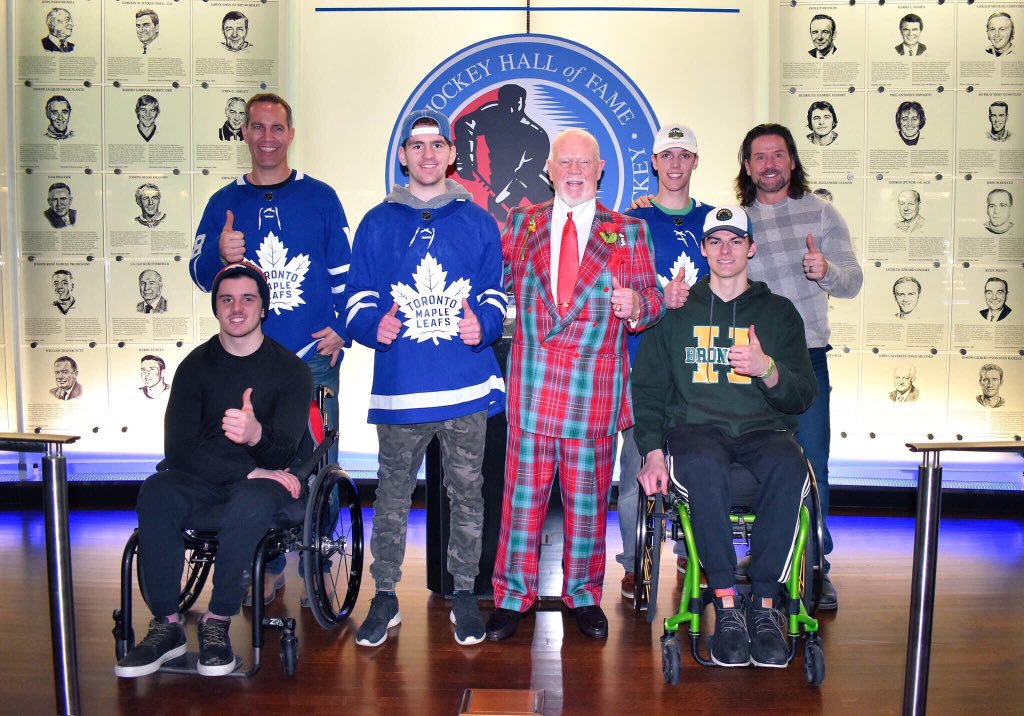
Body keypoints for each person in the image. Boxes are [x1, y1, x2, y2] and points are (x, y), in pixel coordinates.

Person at [487, 128, 664, 642]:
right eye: (564, 162)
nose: (573, 171)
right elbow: (490, 283)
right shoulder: (521, 222)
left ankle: (583, 595)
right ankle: (511, 597)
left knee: (587, 505)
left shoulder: (628, 231)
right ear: (548, 169)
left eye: (583, 163)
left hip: (593, 392)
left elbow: (653, 300)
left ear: (600, 168)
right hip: (532, 387)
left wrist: (638, 307)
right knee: (521, 504)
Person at [345, 108, 506, 648]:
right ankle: (386, 594)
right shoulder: (376, 221)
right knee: (391, 495)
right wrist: (373, 324)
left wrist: (482, 323)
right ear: (403, 155)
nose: (428, 154)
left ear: (452, 154)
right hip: (402, 388)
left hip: (464, 386)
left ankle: (464, 591)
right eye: (418, 146)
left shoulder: (479, 220)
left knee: (467, 491)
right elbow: (358, 298)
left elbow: (494, 295)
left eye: (438, 145)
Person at [633, 205, 817, 668]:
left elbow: (802, 395)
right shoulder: (676, 311)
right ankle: (728, 604)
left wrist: (767, 369)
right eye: (715, 241)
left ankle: (766, 606)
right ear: (703, 250)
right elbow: (650, 389)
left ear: (751, 248)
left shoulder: (778, 313)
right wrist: (652, 453)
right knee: (702, 464)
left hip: (763, 430)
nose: (726, 250)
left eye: (736, 240)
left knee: (791, 465)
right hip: (696, 432)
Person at [114, 262, 313, 678]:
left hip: (269, 478)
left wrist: (256, 435)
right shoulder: (194, 367)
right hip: (208, 476)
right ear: (216, 308)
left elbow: (281, 456)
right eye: (226, 299)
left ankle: (217, 621)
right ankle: (167, 625)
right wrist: (244, 471)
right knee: (156, 490)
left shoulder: (291, 371)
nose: (236, 308)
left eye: (247, 299)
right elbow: (177, 449)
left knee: (252, 501)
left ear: (263, 308)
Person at [190, 93, 352, 601]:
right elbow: (199, 275)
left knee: (316, 459)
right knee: (255, 457)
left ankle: (319, 552)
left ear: (291, 134)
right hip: (246, 361)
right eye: (257, 127)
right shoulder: (223, 203)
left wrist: (343, 328)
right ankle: (269, 555)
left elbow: (347, 276)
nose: (267, 137)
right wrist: (218, 253)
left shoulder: (321, 198)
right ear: (244, 134)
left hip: (310, 359)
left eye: (276, 128)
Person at [736, 123, 863, 611]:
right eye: (760, 157)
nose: (769, 164)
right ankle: (765, 559)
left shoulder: (822, 214)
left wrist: (825, 270)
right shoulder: (736, 221)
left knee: (813, 467)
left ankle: (815, 568)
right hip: (747, 365)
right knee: (756, 464)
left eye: (778, 155)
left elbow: (852, 282)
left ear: (792, 162)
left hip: (807, 360)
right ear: (747, 167)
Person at [615, 122, 714, 600]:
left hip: (700, 366)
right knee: (637, 463)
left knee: (699, 462)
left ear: (695, 162)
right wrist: (658, 295)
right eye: (666, 155)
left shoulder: (716, 221)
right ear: (653, 163)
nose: (675, 164)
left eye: (684, 155)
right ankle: (635, 560)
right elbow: (618, 289)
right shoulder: (630, 222)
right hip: (645, 364)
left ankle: (692, 553)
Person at [453, 83, 551, 223]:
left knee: (550, 200)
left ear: (522, 103)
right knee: (499, 215)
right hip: (499, 177)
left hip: (526, 178)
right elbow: (465, 124)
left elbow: (524, 175)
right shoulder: (491, 114)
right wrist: (466, 158)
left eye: (515, 104)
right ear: (500, 102)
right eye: (507, 104)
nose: (511, 110)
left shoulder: (536, 135)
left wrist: (501, 197)